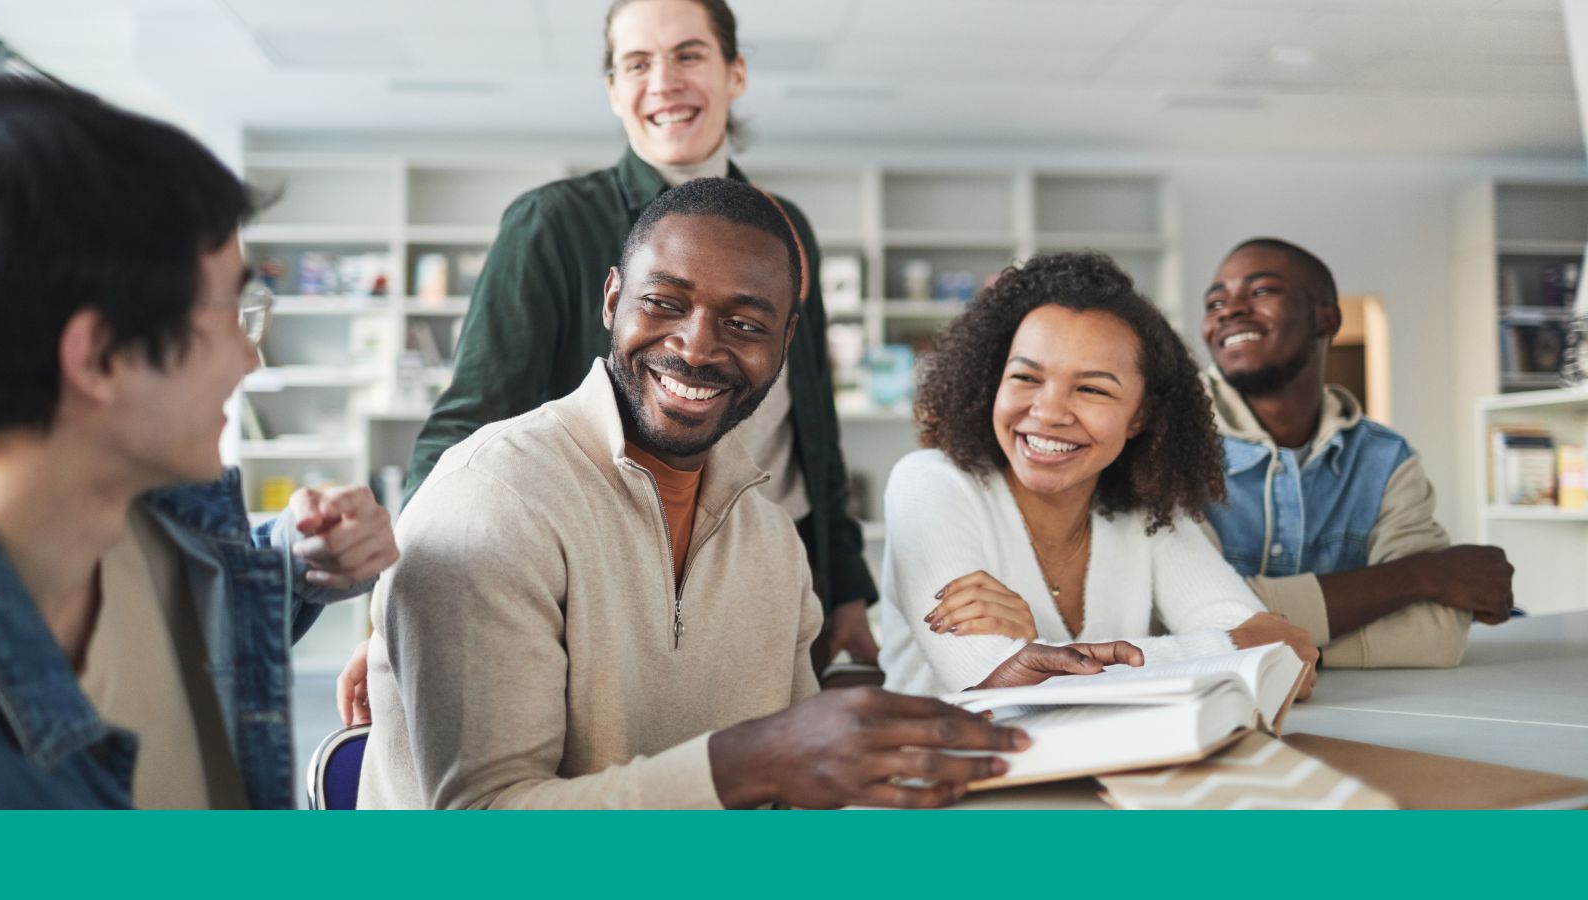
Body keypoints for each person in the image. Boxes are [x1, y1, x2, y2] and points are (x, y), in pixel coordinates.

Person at [357, 179, 1144, 809]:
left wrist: (984, 705)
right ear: (610, 301)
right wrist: (747, 765)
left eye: (743, 322)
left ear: (785, 345)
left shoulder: (769, 541)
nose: (697, 346)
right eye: (664, 303)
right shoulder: (491, 500)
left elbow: (797, 792)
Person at [400, 0, 878, 667]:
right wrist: (395, 601)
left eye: (688, 54)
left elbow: (813, 415)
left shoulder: (786, 228)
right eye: (637, 63)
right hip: (612, 569)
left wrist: (847, 588)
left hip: (779, 560)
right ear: (613, 91)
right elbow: (469, 423)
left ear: (735, 73)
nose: (664, 81)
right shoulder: (551, 224)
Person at [0, 77, 399, 809]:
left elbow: (198, 606)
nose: (251, 358)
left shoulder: (148, 523)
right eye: (231, 313)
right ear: (100, 355)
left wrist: (293, 563)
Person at [879, 253, 1318, 698]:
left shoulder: (1145, 511)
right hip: (939, 766)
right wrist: (1228, 649)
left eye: (1091, 388)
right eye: (1026, 377)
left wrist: (1039, 657)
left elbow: (1282, 664)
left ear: (1139, 415)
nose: (1048, 412)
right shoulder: (929, 483)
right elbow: (997, 687)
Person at [1199, 238, 1514, 668]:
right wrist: (1426, 575)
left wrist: (1270, 652)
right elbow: (1185, 618)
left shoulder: (1387, 461)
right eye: (1215, 303)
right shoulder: (1168, 447)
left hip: (1361, 714)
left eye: (1260, 292)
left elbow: (1437, 636)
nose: (1229, 310)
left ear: (1325, 318)